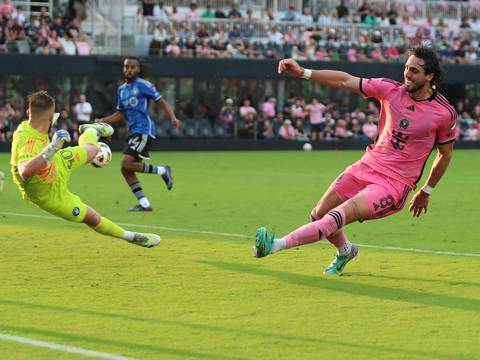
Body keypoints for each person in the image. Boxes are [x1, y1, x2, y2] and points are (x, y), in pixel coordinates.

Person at [253, 46, 458, 275]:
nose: (407, 74)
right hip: (366, 166)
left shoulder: (443, 112)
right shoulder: (390, 90)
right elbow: (344, 81)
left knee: (335, 217)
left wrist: (426, 190)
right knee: (319, 215)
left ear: (430, 76)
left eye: (414, 71)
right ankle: (345, 251)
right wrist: (303, 72)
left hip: (394, 183)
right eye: (406, 68)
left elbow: (445, 154)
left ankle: (275, 245)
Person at [10, 91, 160, 248]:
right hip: (47, 192)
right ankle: (132, 237)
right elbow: (25, 172)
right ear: (49, 117)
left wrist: (52, 138)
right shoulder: (27, 141)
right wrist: (53, 147)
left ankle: (92, 130)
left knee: (92, 151)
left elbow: (42, 117)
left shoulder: (31, 123)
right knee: (91, 217)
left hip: (56, 163)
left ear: (28, 112)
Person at [95, 56, 181, 211]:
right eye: (126, 67)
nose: (128, 70)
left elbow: (160, 101)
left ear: (138, 69)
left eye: (132, 67)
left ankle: (163, 170)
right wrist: (103, 120)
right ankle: (144, 204)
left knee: (125, 163)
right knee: (125, 168)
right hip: (133, 131)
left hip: (144, 130)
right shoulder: (121, 90)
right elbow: (120, 114)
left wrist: (173, 117)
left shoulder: (143, 85)